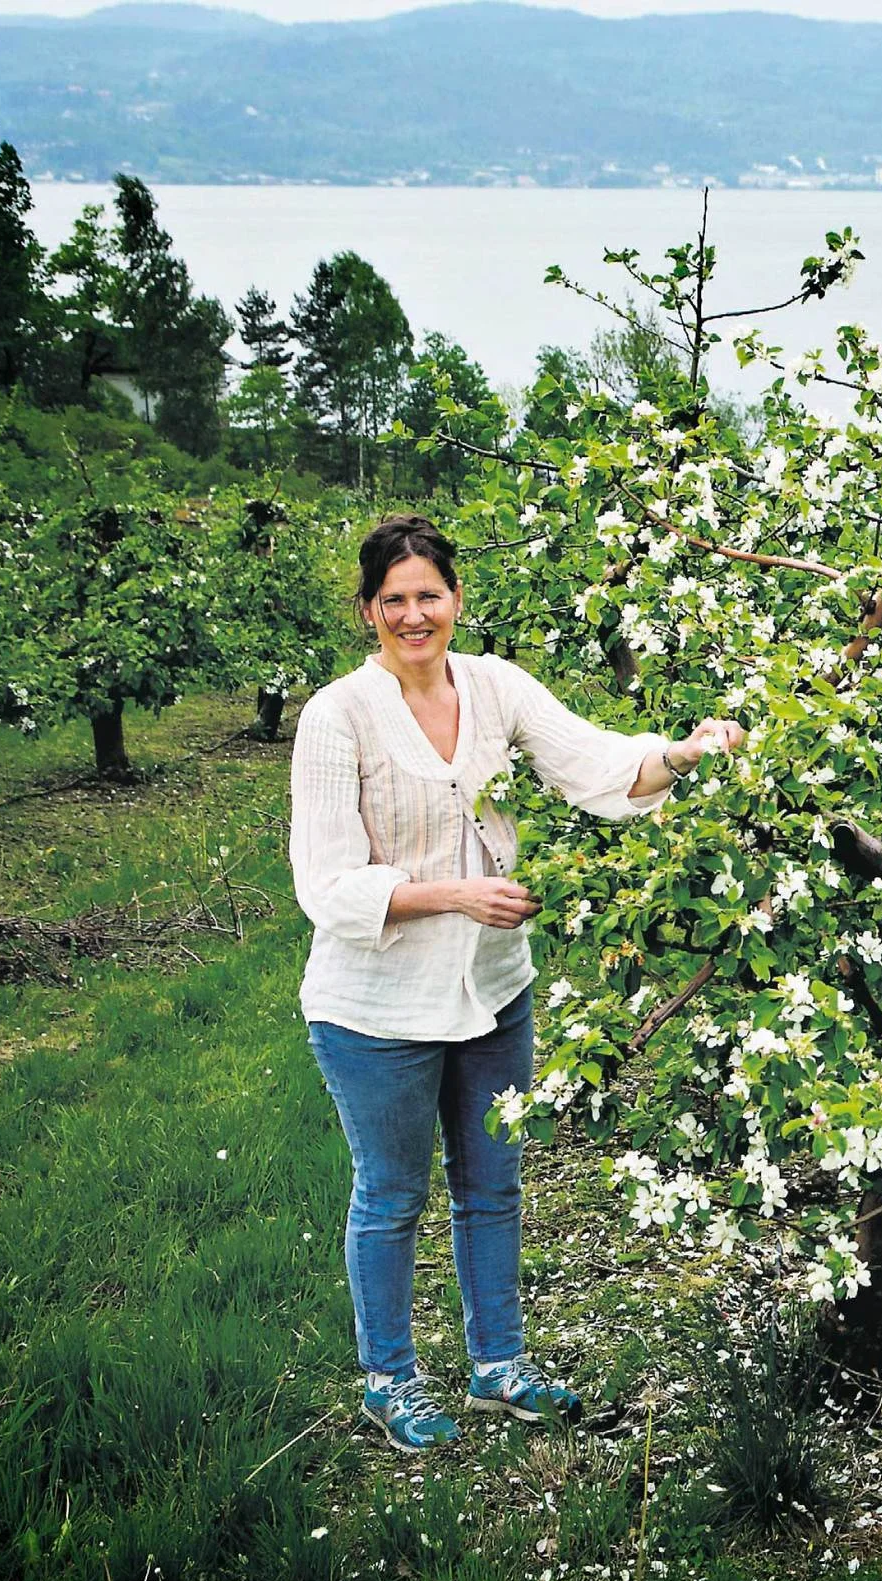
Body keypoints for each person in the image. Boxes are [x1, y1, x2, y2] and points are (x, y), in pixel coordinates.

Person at [290, 514, 741, 1453]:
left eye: (431, 595)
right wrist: (457, 893)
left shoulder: (494, 686)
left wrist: (683, 753)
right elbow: (325, 886)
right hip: (376, 1006)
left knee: (491, 1186)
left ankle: (499, 1366)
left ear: (456, 599)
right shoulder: (340, 714)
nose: (415, 615)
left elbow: (594, 762)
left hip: (493, 989)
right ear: (369, 609)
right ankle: (391, 1379)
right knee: (392, 1193)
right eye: (395, 599)